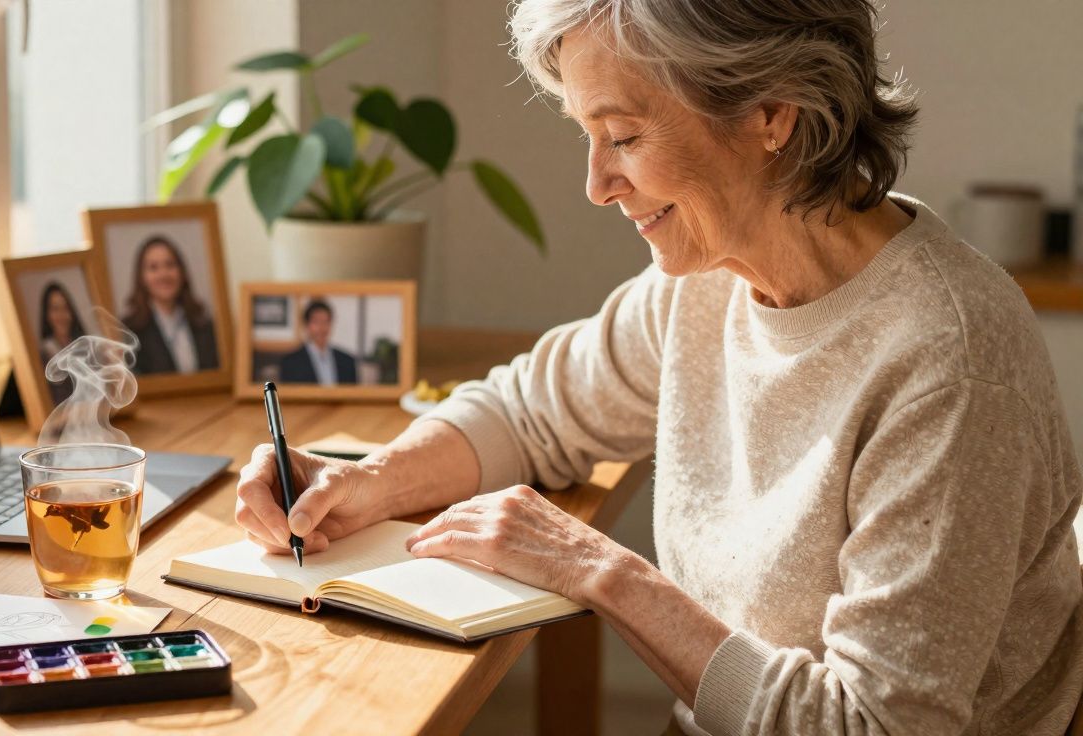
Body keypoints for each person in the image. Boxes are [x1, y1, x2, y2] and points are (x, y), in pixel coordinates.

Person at [234, 1, 1083, 734]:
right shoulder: (709, 278)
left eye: (624, 136)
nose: (598, 184)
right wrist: (365, 480)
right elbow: (532, 412)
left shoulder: (949, 360)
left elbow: (870, 727)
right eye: (588, 137)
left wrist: (603, 572)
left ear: (770, 114)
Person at [120, 235, 219, 375]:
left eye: (170, 265)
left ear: (182, 271)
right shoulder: (129, 332)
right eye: (153, 268)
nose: (163, 274)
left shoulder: (204, 323)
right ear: (141, 277)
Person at [277, 299, 357, 385]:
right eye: (316, 322)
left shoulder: (347, 362)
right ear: (306, 325)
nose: (321, 328)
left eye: (326, 322)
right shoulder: (290, 363)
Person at [38, 281, 85, 405]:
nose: (61, 315)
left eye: (65, 308)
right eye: (55, 309)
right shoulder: (43, 355)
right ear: (47, 315)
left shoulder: (84, 347)